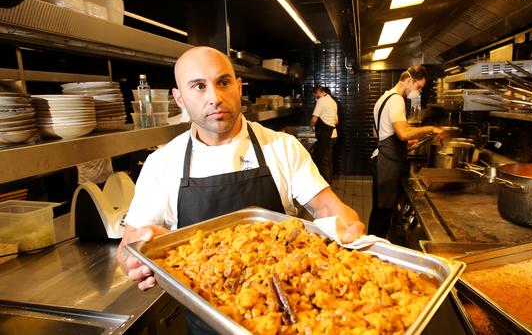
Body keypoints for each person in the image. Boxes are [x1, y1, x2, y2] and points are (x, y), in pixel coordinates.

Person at [116, 46, 365, 335]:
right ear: (179, 98)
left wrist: (348, 227)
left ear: (238, 86)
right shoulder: (162, 164)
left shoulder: (282, 147)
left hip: (288, 317)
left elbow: (327, 208)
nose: (215, 97)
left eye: (223, 82)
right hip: (206, 325)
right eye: (199, 86)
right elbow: (127, 248)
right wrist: (137, 258)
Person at [368, 65, 443, 238]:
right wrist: (430, 129)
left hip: (382, 159)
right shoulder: (397, 100)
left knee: (379, 212)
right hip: (387, 164)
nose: (418, 91)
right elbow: (402, 133)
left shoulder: (384, 98)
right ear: (409, 80)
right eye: (419, 87)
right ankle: (373, 254)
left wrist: (404, 145)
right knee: (382, 215)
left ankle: (371, 248)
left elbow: (379, 133)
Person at [310, 85, 338, 184]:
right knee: (328, 160)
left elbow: (314, 119)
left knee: (323, 161)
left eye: (315, 94)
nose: (315, 96)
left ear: (318, 92)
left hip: (326, 135)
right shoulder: (332, 101)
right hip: (333, 135)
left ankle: (326, 185)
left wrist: (310, 128)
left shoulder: (321, 101)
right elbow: (336, 121)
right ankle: (329, 183)